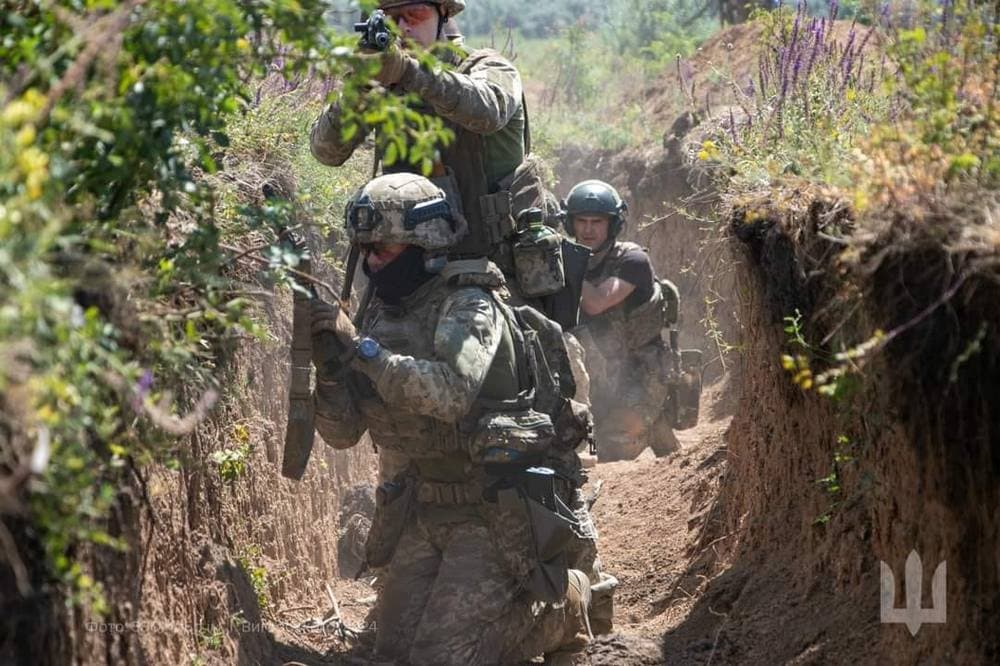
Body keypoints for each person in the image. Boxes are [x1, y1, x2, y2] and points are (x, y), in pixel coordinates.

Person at [309, 172, 592, 664]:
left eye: (385, 249)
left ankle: (566, 603)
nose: (373, 262)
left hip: (492, 511)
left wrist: (363, 350)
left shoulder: (469, 304)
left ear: (426, 244)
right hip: (424, 508)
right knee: (392, 653)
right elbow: (342, 434)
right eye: (367, 250)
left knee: (442, 657)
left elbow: (450, 394)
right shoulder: (379, 316)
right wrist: (331, 370)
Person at [311, 0, 533, 264]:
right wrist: (362, 87)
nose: (404, 27)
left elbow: (488, 111)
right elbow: (326, 152)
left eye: (415, 15)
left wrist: (409, 71)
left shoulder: (490, 68)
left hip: (491, 263)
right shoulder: (387, 83)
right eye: (391, 19)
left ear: (443, 14)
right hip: (408, 267)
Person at [563, 179, 682, 462]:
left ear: (613, 224)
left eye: (597, 222)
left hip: (640, 373)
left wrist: (565, 263)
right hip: (596, 376)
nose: (588, 229)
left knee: (609, 450)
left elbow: (595, 302)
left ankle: (654, 425)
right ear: (570, 223)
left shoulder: (633, 260)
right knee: (571, 444)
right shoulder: (568, 259)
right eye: (581, 221)